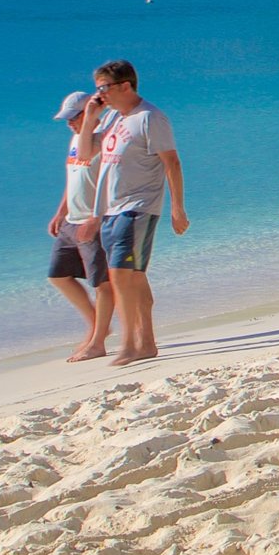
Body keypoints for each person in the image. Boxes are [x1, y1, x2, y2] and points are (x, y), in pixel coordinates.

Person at [77, 59, 188, 366]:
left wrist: (177, 208)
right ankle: (147, 343)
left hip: (138, 208)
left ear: (125, 86)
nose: (100, 95)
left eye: (104, 88)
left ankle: (128, 345)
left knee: (120, 275)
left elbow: (172, 163)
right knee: (134, 277)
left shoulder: (151, 118)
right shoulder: (113, 118)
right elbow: (85, 154)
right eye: (97, 88)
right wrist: (89, 118)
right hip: (112, 211)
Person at [45, 88, 115, 362]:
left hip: (93, 221)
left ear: (90, 112)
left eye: (74, 116)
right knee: (58, 275)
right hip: (71, 221)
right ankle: (98, 325)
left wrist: (96, 219)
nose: (69, 122)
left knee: (102, 283)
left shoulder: (104, 137)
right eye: (67, 118)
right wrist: (59, 213)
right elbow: (72, 177)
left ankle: (97, 340)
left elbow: (105, 175)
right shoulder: (75, 138)